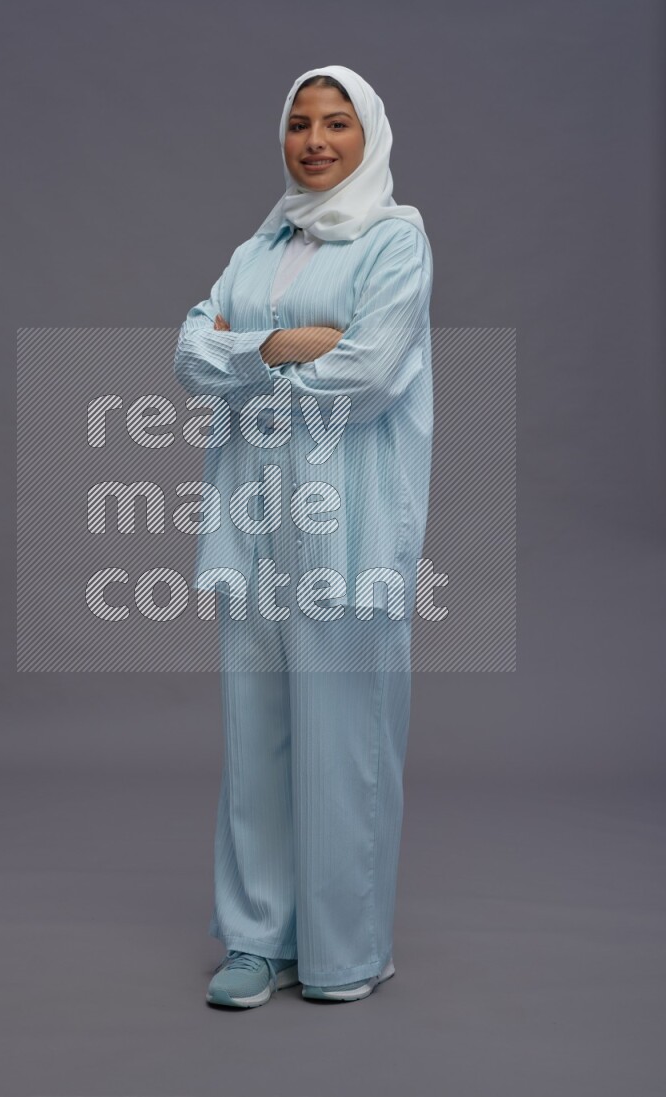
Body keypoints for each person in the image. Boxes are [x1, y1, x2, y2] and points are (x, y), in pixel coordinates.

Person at [173, 64, 434, 1007]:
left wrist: (249, 350)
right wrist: (289, 341)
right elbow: (190, 352)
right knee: (258, 743)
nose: (315, 141)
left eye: (336, 124)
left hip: (349, 533)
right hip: (253, 526)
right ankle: (254, 938)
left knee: (346, 741)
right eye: (299, 124)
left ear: (369, 135)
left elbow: (365, 374)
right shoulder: (259, 246)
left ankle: (344, 949)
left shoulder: (395, 242)